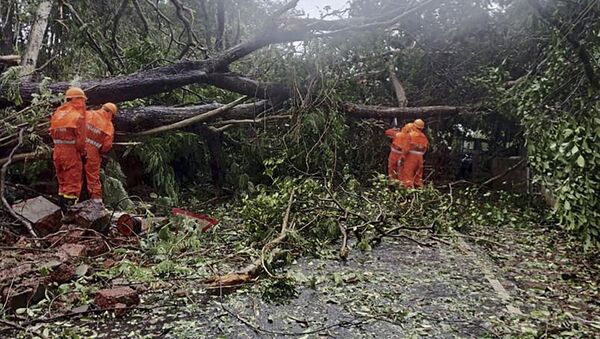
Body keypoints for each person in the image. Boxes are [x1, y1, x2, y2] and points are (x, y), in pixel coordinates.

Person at [49, 87, 87, 209]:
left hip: (57, 151)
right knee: (73, 183)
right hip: (70, 153)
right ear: (79, 100)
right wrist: (83, 153)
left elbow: (52, 133)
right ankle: (70, 213)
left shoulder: (57, 113)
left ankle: (60, 210)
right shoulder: (78, 116)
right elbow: (81, 141)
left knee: (63, 181)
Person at [84, 103, 117, 203]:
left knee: (72, 176)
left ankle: (69, 204)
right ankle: (97, 204)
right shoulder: (109, 126)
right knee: (93, 179)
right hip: (92, 154)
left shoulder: (88, 114)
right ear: (111, 113)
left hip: (76, 148)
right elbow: (107, 146)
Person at [400, 119, 429, 188]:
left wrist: (402, 157)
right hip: (420, 158)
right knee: (418, 176)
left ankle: (408, 191)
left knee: (408, 174)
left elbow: (406, 148)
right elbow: (425, 149)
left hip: (411, 157)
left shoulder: (410, 135)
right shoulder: (424, 137)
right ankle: (419, 190)